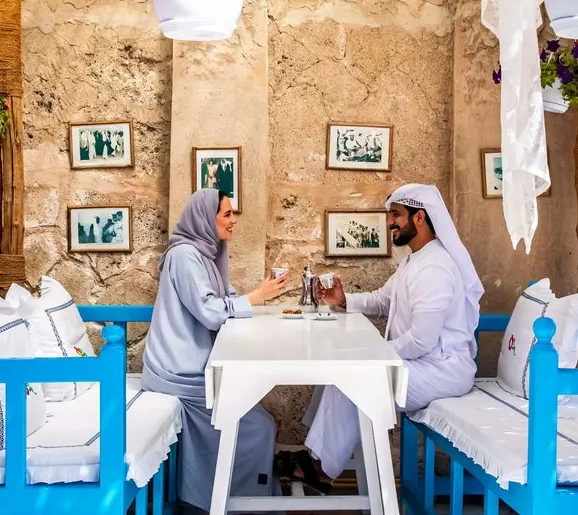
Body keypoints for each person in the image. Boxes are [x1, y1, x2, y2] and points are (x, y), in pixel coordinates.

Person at [280, 183, 483, 494]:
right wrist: (344, 300)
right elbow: (383, 300)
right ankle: (316, 454)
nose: (390, 222)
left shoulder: (437, 267)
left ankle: (322, 470)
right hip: (419, 363)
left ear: (420, 218)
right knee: (340, 367)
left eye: (396, 215)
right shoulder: (414, 261)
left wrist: (375, 353)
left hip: (441, 370)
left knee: (357, 376)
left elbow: (421, 341)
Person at [141, 188, 290, 511]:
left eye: (232, 213)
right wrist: (255, 297)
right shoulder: (184, 256)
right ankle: (238, 502)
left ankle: (238, 497)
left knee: (258, 416)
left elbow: (224, 295)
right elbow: (210, 311)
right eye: (226, 214)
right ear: (205, 218)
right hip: (177, 371)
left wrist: (260, 296)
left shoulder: (206, 254)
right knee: (259, 425)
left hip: (194, 367)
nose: (233, 220)